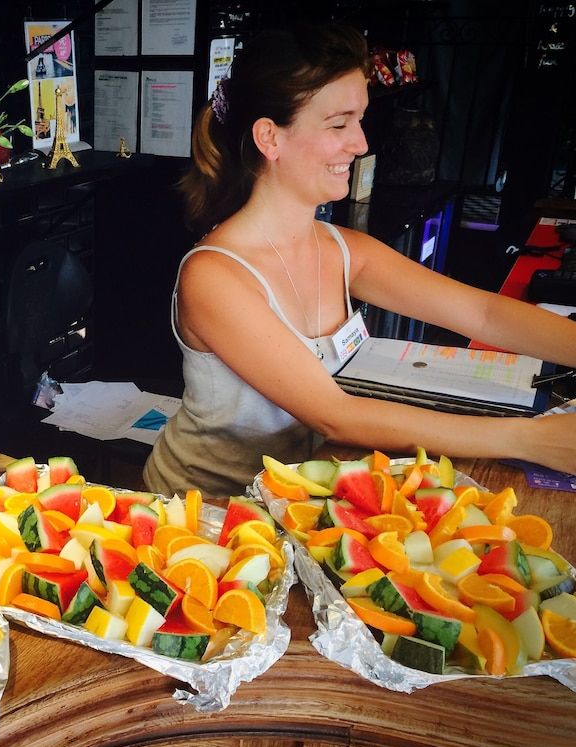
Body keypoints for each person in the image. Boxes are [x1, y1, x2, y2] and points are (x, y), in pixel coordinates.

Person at [143, 23, 576, 498]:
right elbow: (337, 415)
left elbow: (483, 313)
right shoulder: (215, 276)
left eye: (360, 120)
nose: (361, 143)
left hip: (307, 492)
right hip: (208, 509)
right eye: (339, 124)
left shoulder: (342, 248)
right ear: (270, 137)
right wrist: (531, 439)